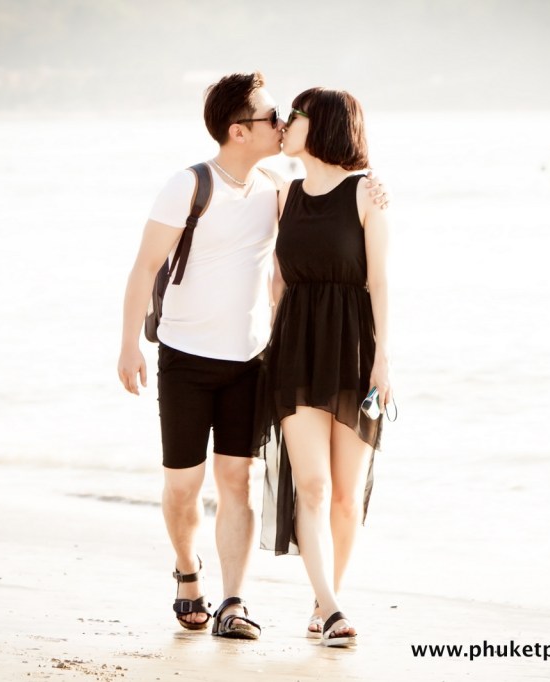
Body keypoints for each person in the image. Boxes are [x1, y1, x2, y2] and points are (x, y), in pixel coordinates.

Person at [116, 73, 387, 640]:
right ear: (239, 131)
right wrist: (128, 346)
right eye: (271, 117)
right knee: (185, 487)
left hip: (251, 361)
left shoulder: (276, 190)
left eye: (288, 116)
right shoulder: (188, 186)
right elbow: (144, 267)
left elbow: (325, 224)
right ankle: (188, 573)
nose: (282, 123)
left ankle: (235, 601)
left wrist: (373, 190)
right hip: (185, 356)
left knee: (237, 481)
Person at [259, 87, 392, 648]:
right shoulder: (282, 195)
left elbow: (379, 281)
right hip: (295, 349)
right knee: (309, 486)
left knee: (344, 492)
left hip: (354, 349)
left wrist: (384, 360)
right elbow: (277, 281)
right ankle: (334, 609)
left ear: (325, 125)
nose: (286, 125)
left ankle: (324, 599)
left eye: (296, 116)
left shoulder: (367, 194)